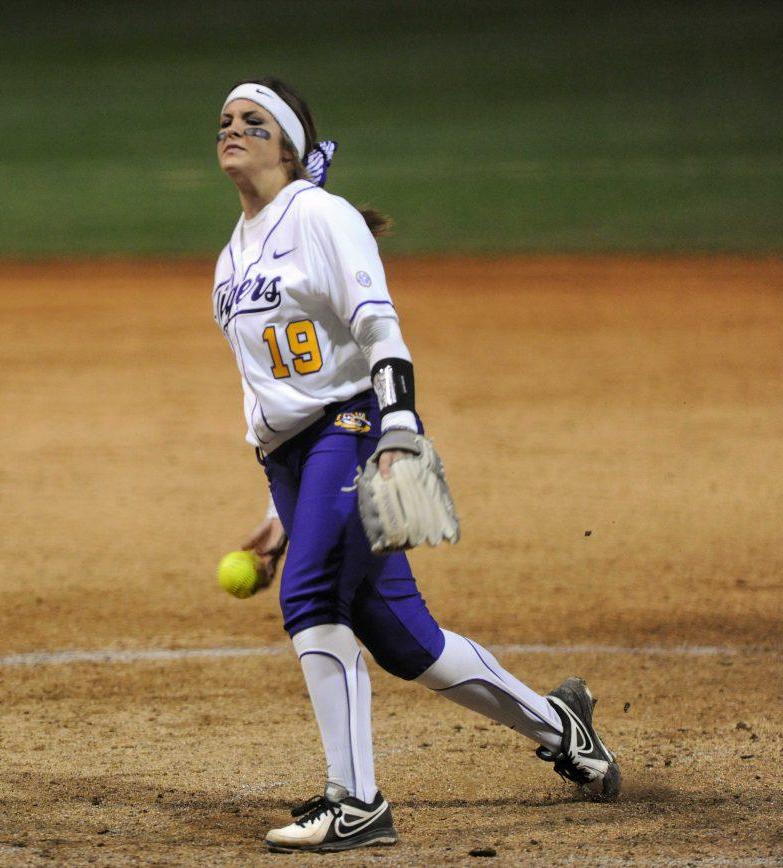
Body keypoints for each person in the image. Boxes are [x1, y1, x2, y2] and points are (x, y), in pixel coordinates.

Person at [212, 77, 621, 854]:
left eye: (252, 121)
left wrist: (397, 428)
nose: (232, 129)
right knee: (407, 642)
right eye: (225, 121)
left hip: (358, 426)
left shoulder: (321, 217)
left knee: (310, 597)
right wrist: (277, 516)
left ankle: (356, 802)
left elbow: (379, 332)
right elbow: (267, 390)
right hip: (292, 459)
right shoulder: (231, 257)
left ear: (289, 144)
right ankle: (562, 725)